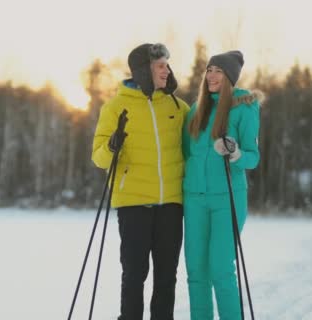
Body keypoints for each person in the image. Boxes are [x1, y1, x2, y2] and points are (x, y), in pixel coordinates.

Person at [91, 43, 190, 320]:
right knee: (134, 274)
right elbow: (99, 158)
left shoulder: (177, 107)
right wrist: (112, 146)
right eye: (161, 65)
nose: (167, 70)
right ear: (144, 71)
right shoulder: (115, 107)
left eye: (167, 65)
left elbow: (198, 139)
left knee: (167, 276)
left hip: (171, 203)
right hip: (133, 203)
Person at [182, 50, 263, 320]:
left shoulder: (244, 106)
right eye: (209, 70)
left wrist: (236, 153)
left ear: (229, 76)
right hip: (194, 198)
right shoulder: (197, 109)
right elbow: (186, 153)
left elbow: (253, 156)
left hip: (227, 198)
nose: (211, 75)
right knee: (196, 272)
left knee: (220, 269)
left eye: (218, 70)